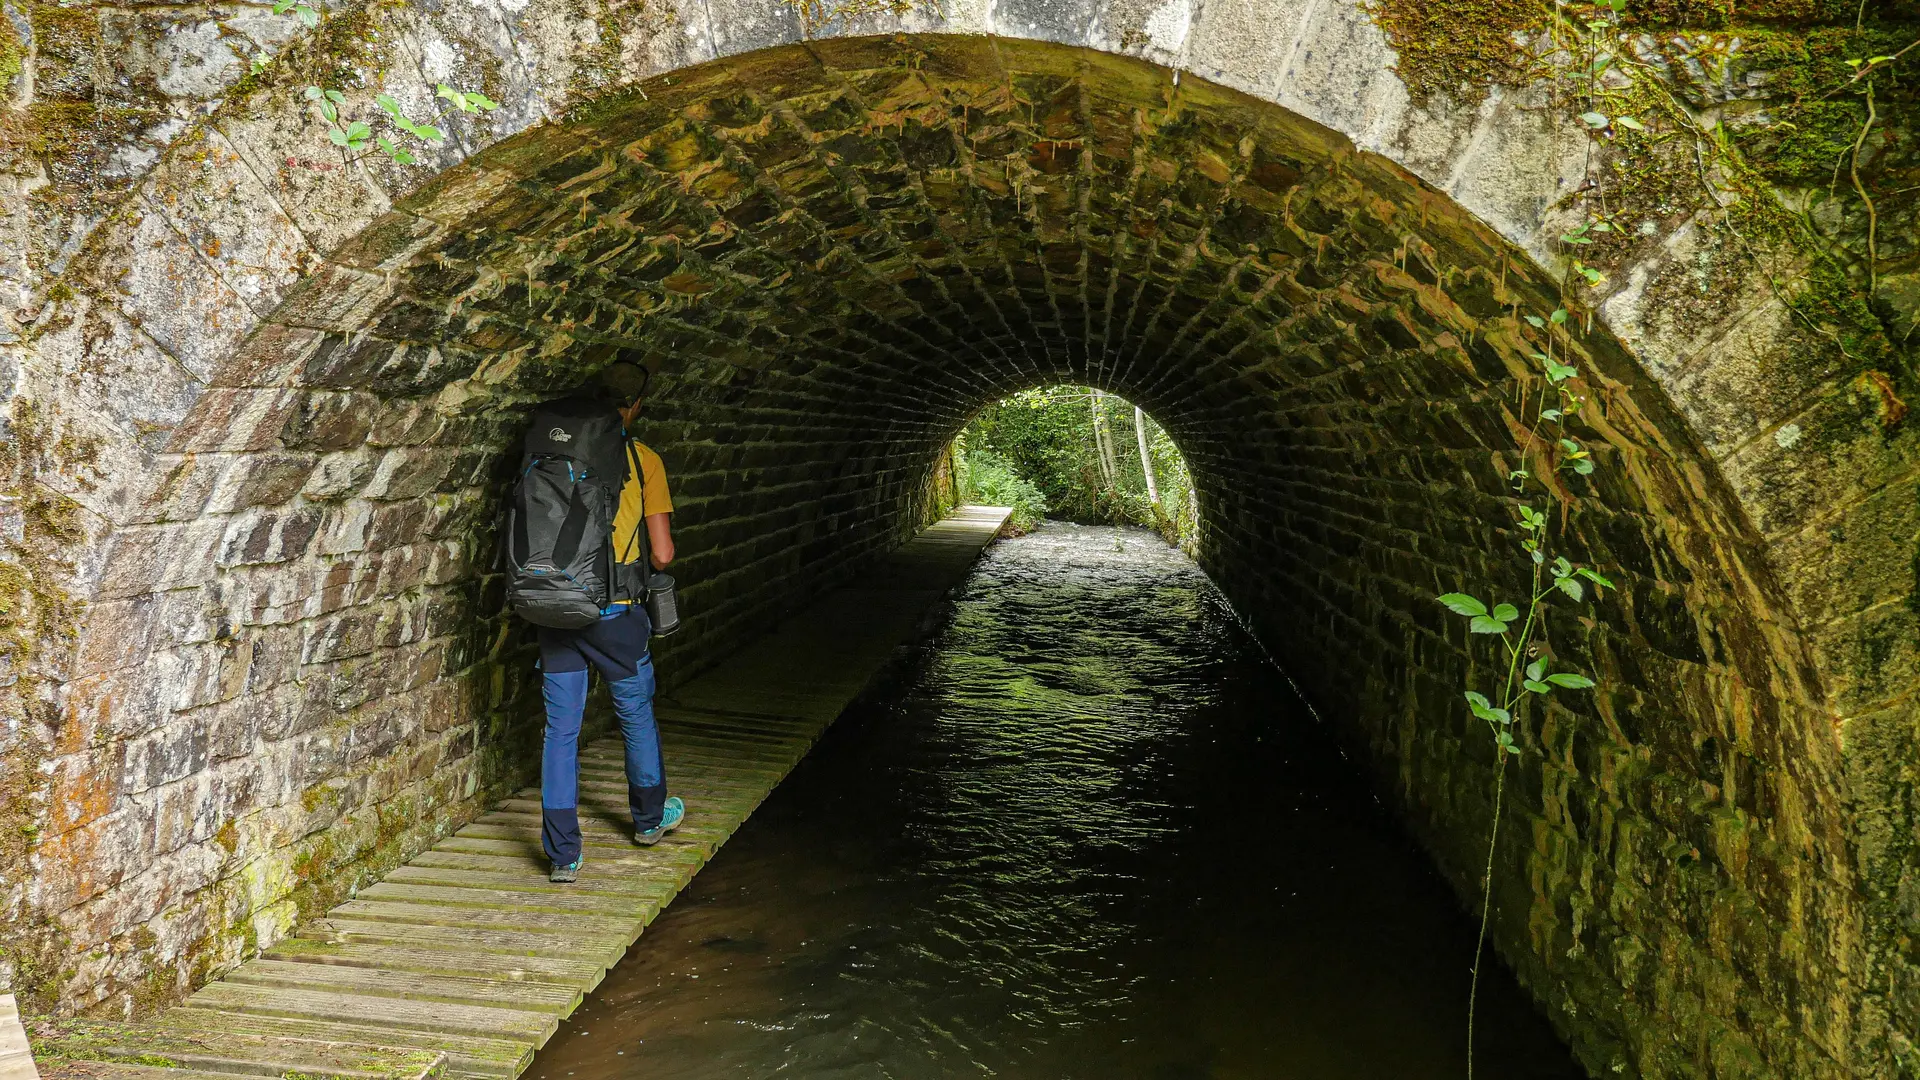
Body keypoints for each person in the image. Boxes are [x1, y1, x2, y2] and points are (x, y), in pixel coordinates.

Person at [536, 361, 683, 884]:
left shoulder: (549, 453)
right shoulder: (642, 460)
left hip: (555, 608)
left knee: (560, 731)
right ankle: (649, 819)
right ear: (635, 406)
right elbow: (661, 554)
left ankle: (563, 855)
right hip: (616, 614)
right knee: (635, 715)